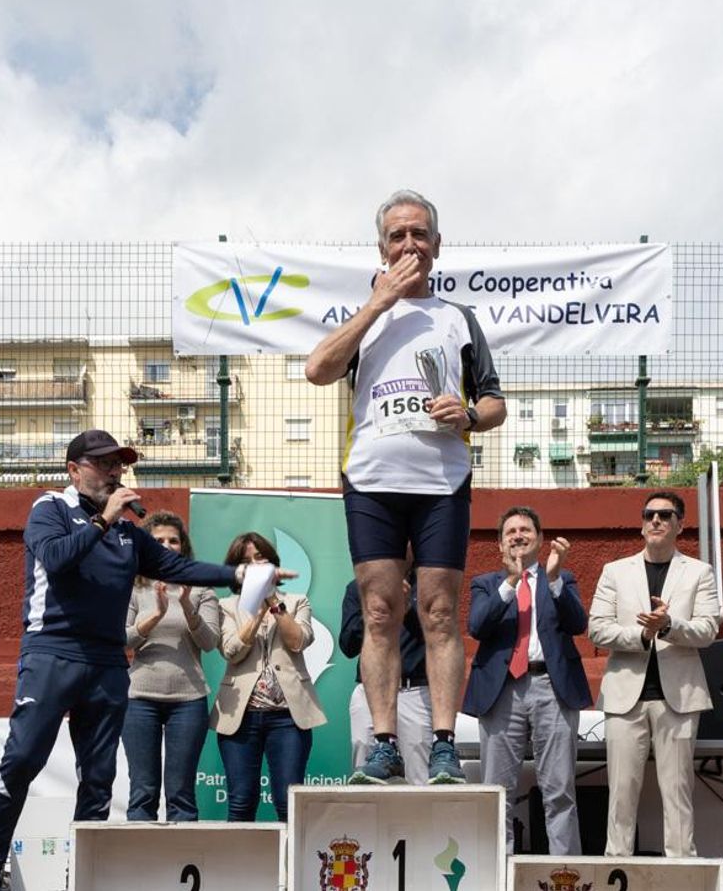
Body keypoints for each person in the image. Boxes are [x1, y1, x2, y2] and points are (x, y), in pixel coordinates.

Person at [0, 431, 287, 891]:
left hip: (108, 661)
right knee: (21, 760)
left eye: (118, 464)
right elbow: (56, 558)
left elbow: (178, 567)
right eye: (103, 464)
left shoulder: (127, 534)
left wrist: (239, 574)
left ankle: (83, 876)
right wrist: (101, 521)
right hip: (53, 651)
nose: (114, 472)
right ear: (74, 469)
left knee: (99, 778)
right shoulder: (50, 508)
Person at [305, 189, 507, 785]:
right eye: (398, 235)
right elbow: (317, 370)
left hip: (442, 481)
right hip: (372, 480)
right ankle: (384, 742)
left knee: (439, 612)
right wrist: (378, 303)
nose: (410, 244)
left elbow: (495, 403)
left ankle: (443, 745)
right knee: (378, 611)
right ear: (382, 248)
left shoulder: (457, 318)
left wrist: (468, 415)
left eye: (420, 234)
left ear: (437, 245)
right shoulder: (364, 318)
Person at [589, 490, 721, 857]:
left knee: (678, 793)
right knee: (620, 794)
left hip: (678, 697)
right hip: (624, 697)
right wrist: (643, 635)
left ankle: (682, 871)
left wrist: (669, 625)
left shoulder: (699, 572)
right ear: (642, 524)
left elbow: (708, 630)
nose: (656, 520)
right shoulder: (615, 571)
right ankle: (617, 865)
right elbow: (597, 629)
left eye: (665, 515)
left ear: (680, 525)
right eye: (649, 515)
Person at [464, 507, 592, 855]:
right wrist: (510, 582)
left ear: (540, 538)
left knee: (559, 790)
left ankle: (565, 871)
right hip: (502, 690)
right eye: (511, 531)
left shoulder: (561, 579)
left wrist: (554, 579)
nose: (518, 535)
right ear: (500, 544)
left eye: (526, 530)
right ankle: (500, 870)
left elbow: (578, 624)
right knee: (498, 791)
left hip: (551, 687)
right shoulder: (486, 583)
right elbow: (477, 626)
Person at [212, 532, 326, 821]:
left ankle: (289, 854)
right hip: (240, 717)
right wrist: (257, 611)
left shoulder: (297, 601)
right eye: (246, 561)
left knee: (288, 804)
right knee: (241, 801)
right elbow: (231, 651)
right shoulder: (225, 606)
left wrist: (273, 602)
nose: (255, 566)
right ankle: (241, 854)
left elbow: (298, 641)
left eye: (260, 559)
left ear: (273, 564)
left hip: (288, 717)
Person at [123, 511, 222, 821]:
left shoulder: (202, 589)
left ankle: (183, 848)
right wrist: (155, 616)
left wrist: (187, 606)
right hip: (139, 698)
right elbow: (122, 640)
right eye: (159, 540)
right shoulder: (134, 586)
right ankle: (140, 850)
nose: (166, 546)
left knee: (181, 792)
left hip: (188, 700)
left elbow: (210, 641)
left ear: (183, 546)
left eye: (173, 540)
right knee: (143, 790)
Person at [338, 555, 432, 784]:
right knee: (365, 771)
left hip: (415, 691)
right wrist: (377, 611)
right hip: (370, 691)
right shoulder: (358, 587)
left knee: (420, 775)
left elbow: (440, 639)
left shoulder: (429, 585)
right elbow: (348, 645)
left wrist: (406, 607)